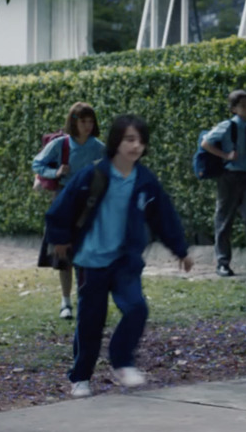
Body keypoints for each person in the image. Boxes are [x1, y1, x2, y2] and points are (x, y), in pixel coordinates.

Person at [45, 115, 194, 398]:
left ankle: (122, 361)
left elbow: (165, 217)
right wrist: (60, 240)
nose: (135, 145)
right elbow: (61, 208)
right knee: (90, 321)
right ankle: (80, 377)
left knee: (137, 308)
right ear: (116, 141)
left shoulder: (145, 180)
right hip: (91, 261)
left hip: (125, 260)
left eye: (140, 140)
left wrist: (181, 251)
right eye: (129, 139)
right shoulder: (93, 174)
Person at [32, 102, 105, 319]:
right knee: (63, 255)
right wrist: (55, 172)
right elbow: (37, 164)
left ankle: (85, 300)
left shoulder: (98, 146)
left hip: (88, 203)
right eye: (83, 121)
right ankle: (66, 303)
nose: (88, 126)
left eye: (91, 121)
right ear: (73, 122)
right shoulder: (61, 144)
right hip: (63, 200)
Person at [200, 89, 246, 277]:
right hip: (229, 177)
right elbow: (205, 143)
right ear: (233, 109)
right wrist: (225, 155)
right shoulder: (227, 127)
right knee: (224, 219)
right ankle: (222, 263)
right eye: (242, 105)